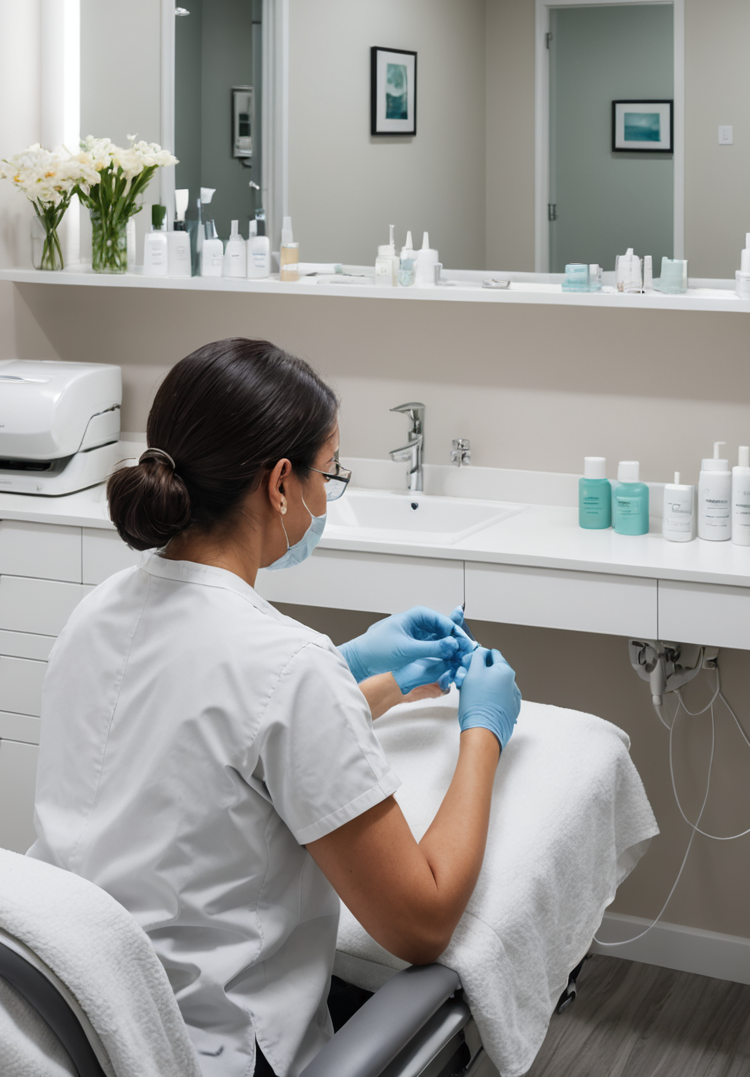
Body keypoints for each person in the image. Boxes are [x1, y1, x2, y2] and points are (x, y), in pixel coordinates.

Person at [29, 338, 522, 1077]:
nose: (328, 499)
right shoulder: (287, 665)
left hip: (76, 1013)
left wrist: (370, 674)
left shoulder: (96, 611)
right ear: (282, 483)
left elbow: (214, 739)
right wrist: (483, 731)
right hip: (207, 1047)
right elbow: (420, 923)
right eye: (330, 473)